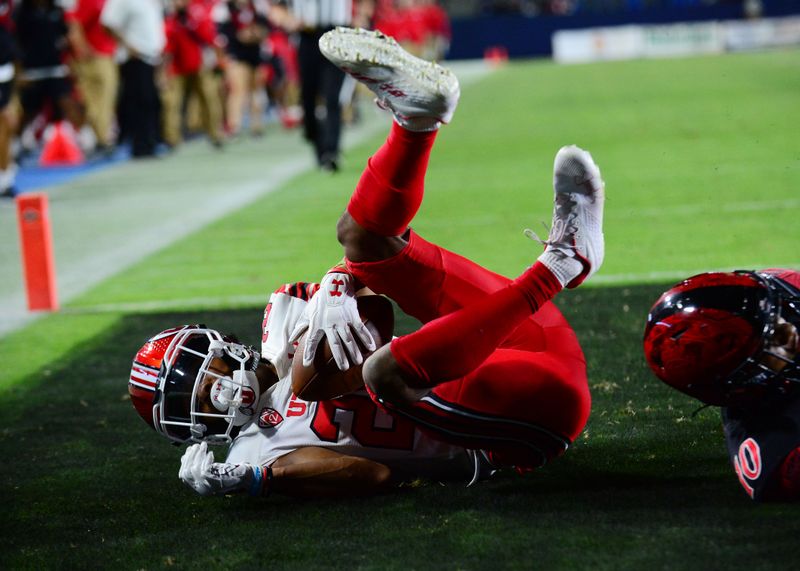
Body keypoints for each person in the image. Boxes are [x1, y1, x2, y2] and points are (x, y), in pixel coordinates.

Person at [128, 27, 605, 499]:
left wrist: (339, 280)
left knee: (360, 240)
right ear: (187, 429)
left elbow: (374, 304)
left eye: (200, 372)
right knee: (382, 375)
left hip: (521, 337)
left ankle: (416, 122)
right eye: (187, 398)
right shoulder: (250, 458)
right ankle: (557, 267)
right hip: (522, 424)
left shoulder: (283, 313)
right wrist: (261, 479)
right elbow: (370, 475)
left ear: (222, 348)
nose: (211, 391)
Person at [643, 269, 800, 502]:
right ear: (741, 384)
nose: (791, 332)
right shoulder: (778, 458)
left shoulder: (782, 288)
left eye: (780, 317)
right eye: (774, 342)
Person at [268, 1, 375, 171]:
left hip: (337, 36)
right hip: (307, 37)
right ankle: (316, 139)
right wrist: (288, 20)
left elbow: (365, 5)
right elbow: (276, 8)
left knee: (333, 97)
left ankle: (331, 151)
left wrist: (361, 16)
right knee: (308, 98)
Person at [100, 0, 165, 158]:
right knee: (139, 102)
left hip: (152, 57)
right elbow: (107, 23)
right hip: (134, 58)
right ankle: (138, 146)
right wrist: (128, 45)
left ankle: (151, 142)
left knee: (151, 101)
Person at [65, 0, 119, 155]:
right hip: (94, 56)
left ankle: (101, 138)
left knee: (102, 100)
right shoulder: (89, 1)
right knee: (97, 100)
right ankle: (102, 138)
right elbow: (74, 24)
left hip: (104, 53)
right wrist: (82, 49)